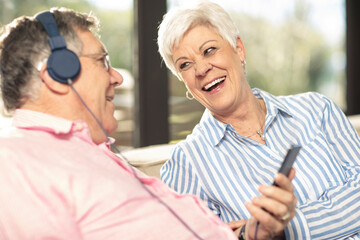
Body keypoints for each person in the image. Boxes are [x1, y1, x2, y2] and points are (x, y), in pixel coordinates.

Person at [0, 7, 297, 240]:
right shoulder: (14, 162)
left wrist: (252, 233)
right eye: (103, 61)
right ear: (59, 72)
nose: (116, 77)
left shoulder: (92, 151)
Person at [157, 1, 360, 240]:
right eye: (185, 65)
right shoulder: (186, 165)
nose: (201, 68)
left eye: (209, 50)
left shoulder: (317, 109)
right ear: (184, 82)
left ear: (239, 49)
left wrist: (287, 230)